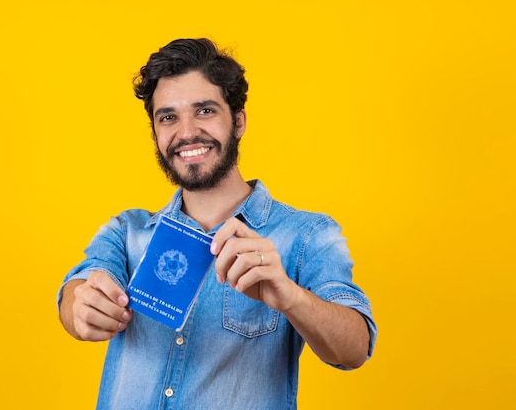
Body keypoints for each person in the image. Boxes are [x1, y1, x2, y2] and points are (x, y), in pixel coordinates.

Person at [58, 38, 377, 410]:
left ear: (238, 121)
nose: (187, 131)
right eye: (168, 117)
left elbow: (355, 348)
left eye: (205, 110)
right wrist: (82, 306)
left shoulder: (307, 236)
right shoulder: (128, 230)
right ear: (155, 133)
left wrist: (289, 296)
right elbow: (77, 287)